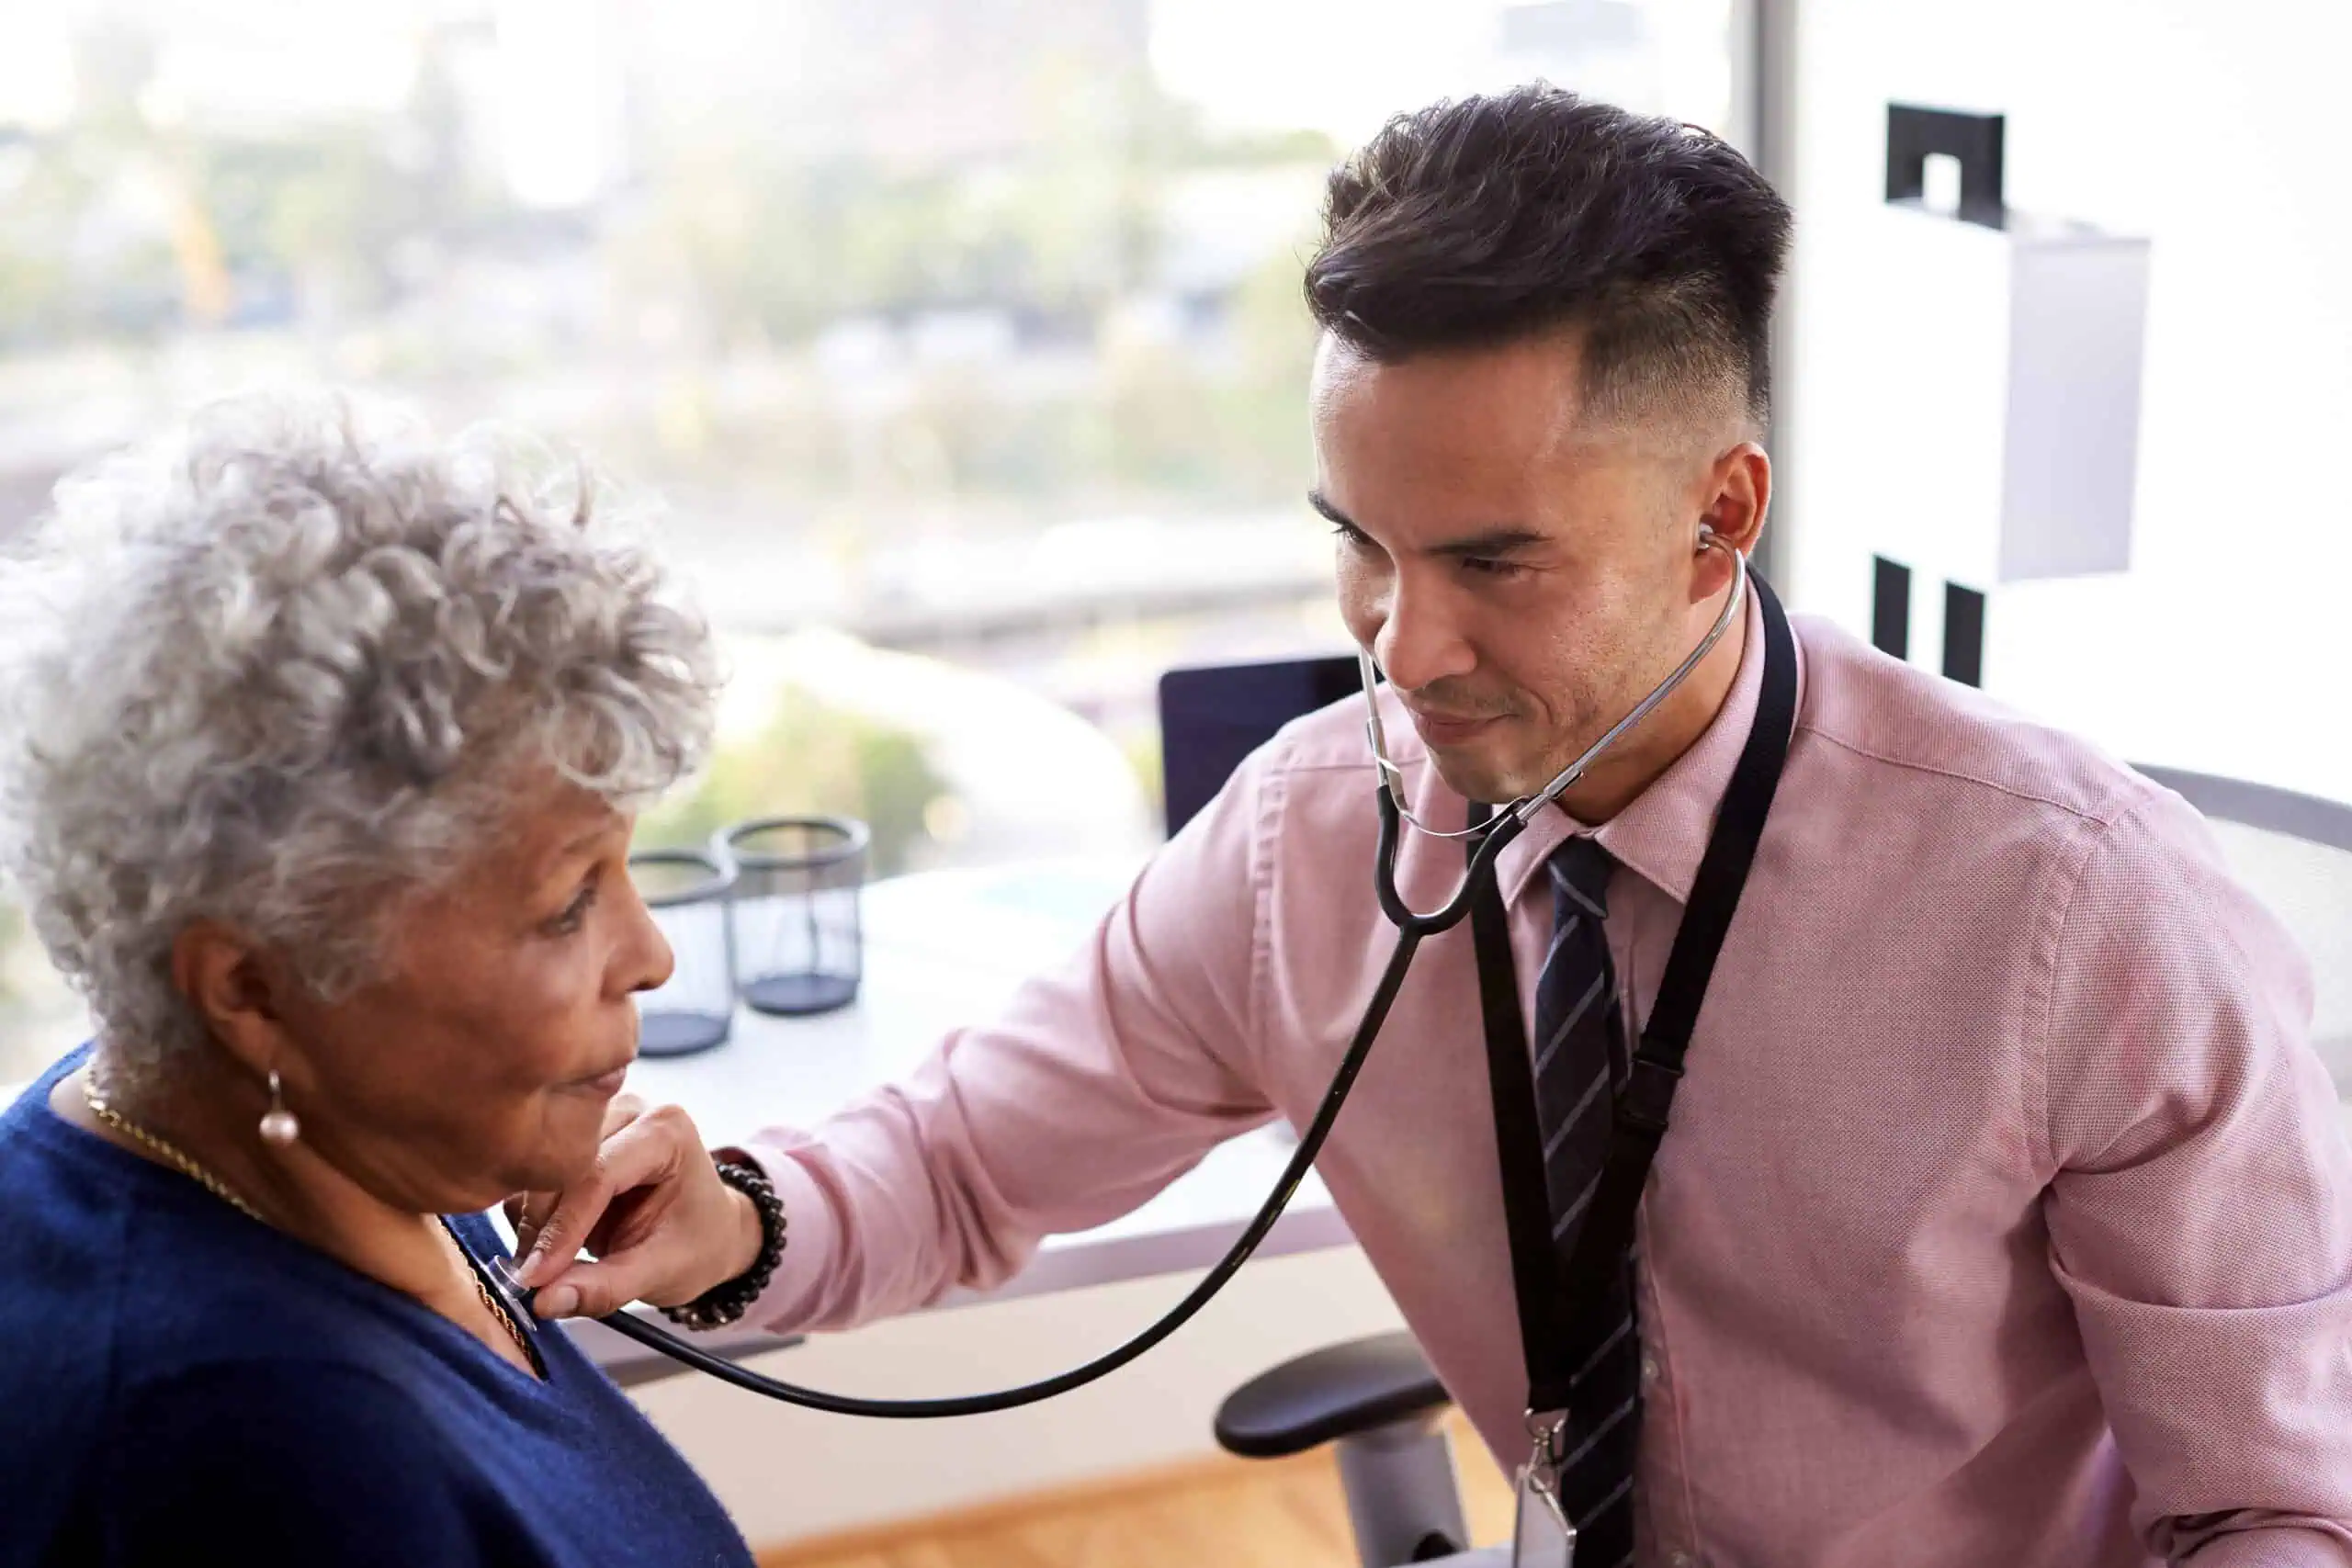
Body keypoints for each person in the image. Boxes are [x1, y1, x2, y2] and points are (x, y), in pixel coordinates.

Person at [512, 88, 2352, 1565]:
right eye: (1356, 542)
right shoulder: (1311, 836)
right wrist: (724, 1222)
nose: (1401, 646)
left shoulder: (2077, 916)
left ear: (1717, 518)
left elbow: (2272, 1509)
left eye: (1488, 561)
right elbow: (965, 1160)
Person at [0, 393, 764, 1567]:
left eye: (624, 867)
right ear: (254, 987)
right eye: (567, 902)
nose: (651, 956)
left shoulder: (249, 1117)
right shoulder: (253, 1455)